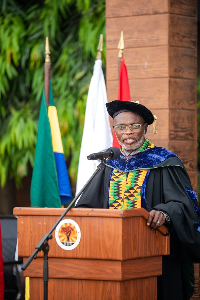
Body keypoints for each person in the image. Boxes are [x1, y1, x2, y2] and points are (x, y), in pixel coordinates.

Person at [75, 100, 200, 300]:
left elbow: (185, 206)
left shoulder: (164, 162)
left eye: (135, 126)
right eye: (121, 127)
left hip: (154, 254)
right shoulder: (109, 164)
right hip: (111, 253)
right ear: (114, 129)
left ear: (146, 128)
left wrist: (166, 213)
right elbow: (87, 206)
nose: (128, 133)